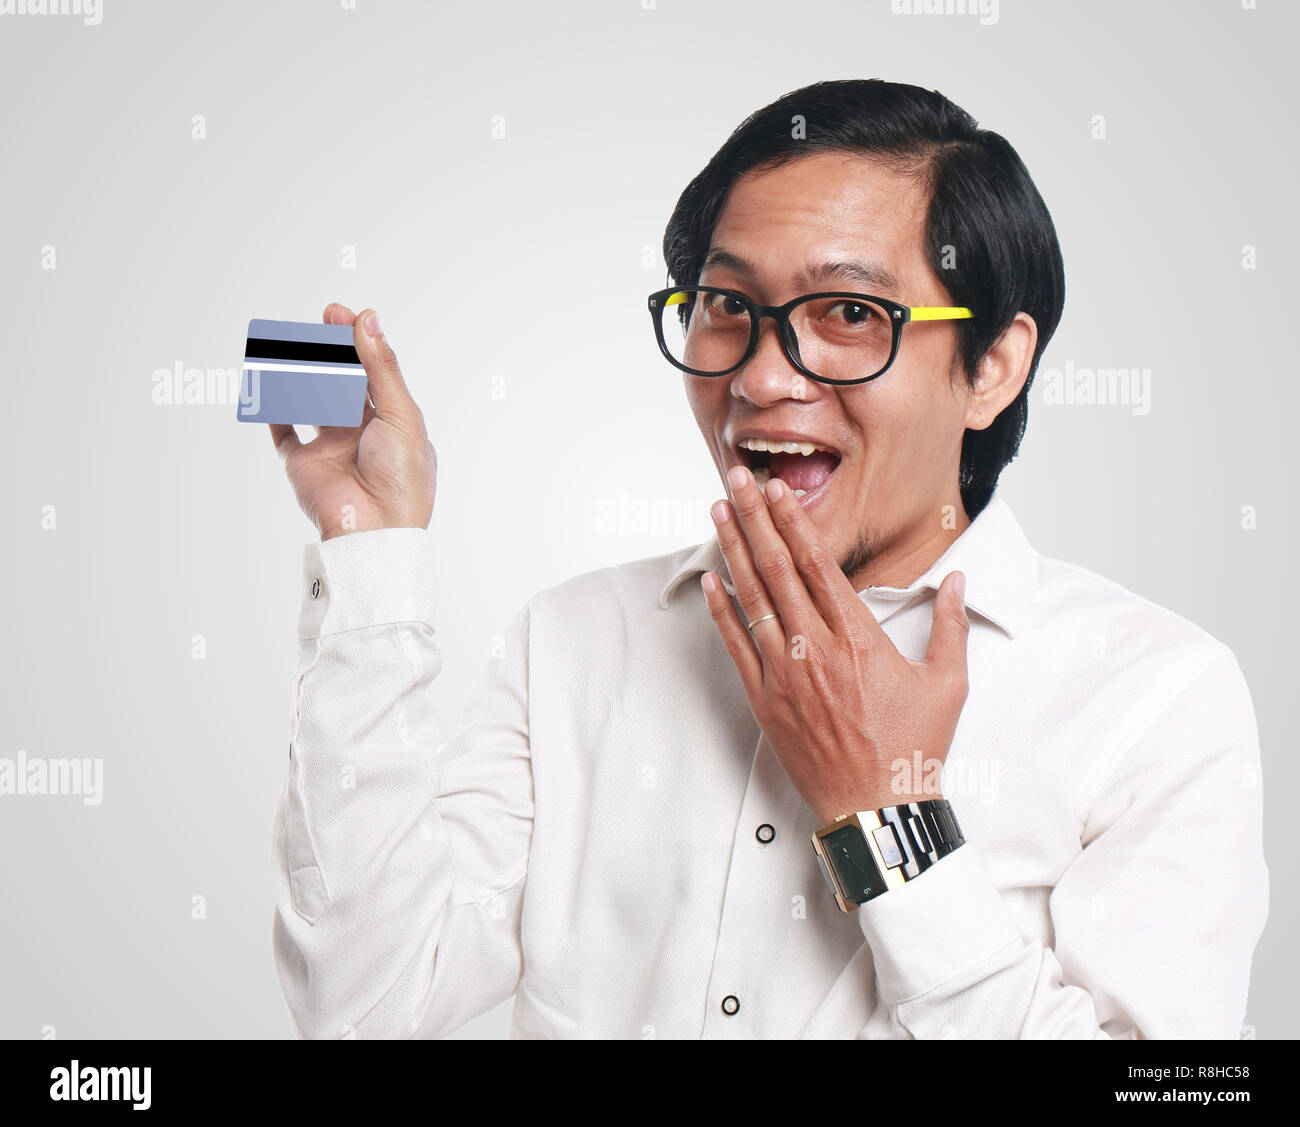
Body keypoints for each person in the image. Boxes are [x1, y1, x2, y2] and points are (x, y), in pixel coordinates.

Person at [267, 79, 1268, 1039]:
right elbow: (364, 1003)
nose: (760, 375)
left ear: (991, 368)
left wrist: (886, 811)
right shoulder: (571, 640)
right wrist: (372, 542)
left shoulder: (1156, 695)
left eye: (847, 314)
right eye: (726, 305)